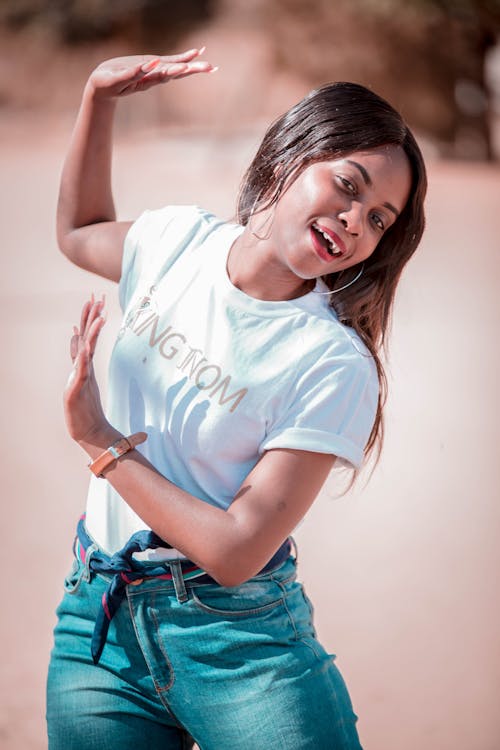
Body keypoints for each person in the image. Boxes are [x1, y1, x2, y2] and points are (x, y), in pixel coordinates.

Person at [46, 48, 426, 750]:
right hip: (96, 622)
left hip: (239, 644)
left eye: (378, 219)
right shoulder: (176, 241)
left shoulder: (332, 362)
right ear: (289, 157)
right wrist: (98, 95)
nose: (353, 219)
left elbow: (237, 551)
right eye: (347, 185)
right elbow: (78, 231)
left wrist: (101, 442)